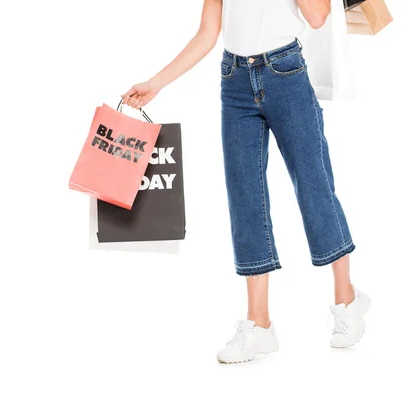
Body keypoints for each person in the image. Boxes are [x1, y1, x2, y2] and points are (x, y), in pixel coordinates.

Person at [121, 0, 370, 363]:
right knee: (245, 197)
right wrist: (156, 83)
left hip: (285, 72)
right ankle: (259, 324)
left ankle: (347, 301)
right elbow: (208, 34)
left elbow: (317, 17)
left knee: (314, 188)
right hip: (234, 80)